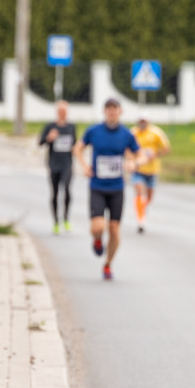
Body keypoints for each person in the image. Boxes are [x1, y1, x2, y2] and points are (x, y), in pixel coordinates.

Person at [72, 98, 141, 280]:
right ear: (104, 112)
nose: (112, 112)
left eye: (115, 109)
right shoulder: (94, 131)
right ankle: (96, 239)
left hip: (117, 187)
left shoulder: (126, 134)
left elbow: (138, 153)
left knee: (114, 229)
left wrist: (133, 163)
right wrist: (84, 165)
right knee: (98, 226)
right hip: (97, 186)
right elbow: (77, 148)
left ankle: (108, 264)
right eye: (109, 109)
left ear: (120, 112)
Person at [38, 100, 76, 234]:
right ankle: (55, 222)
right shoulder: (50, 126)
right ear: (57, 112)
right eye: (60, 111)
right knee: (54, 193)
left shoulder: (71, 127)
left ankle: (66, 218)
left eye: (64, 111)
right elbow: (40, 142)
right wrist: (49, 138)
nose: (62, 114)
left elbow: (75, 144)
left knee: (66, 190)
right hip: (54, 164)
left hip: (67, 164)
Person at [130, 117, 171, 234]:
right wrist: (131, 159)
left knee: (148, 198)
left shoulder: (156, 132)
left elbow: (166, 148)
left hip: (152, 169)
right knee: (139, 191)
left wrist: (156, 154)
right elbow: (126, 148)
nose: (142, 123)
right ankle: (140, 220)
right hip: (138, 168)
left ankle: (142, 210)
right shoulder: (133, 133)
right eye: (140, 121)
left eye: (144, 121)